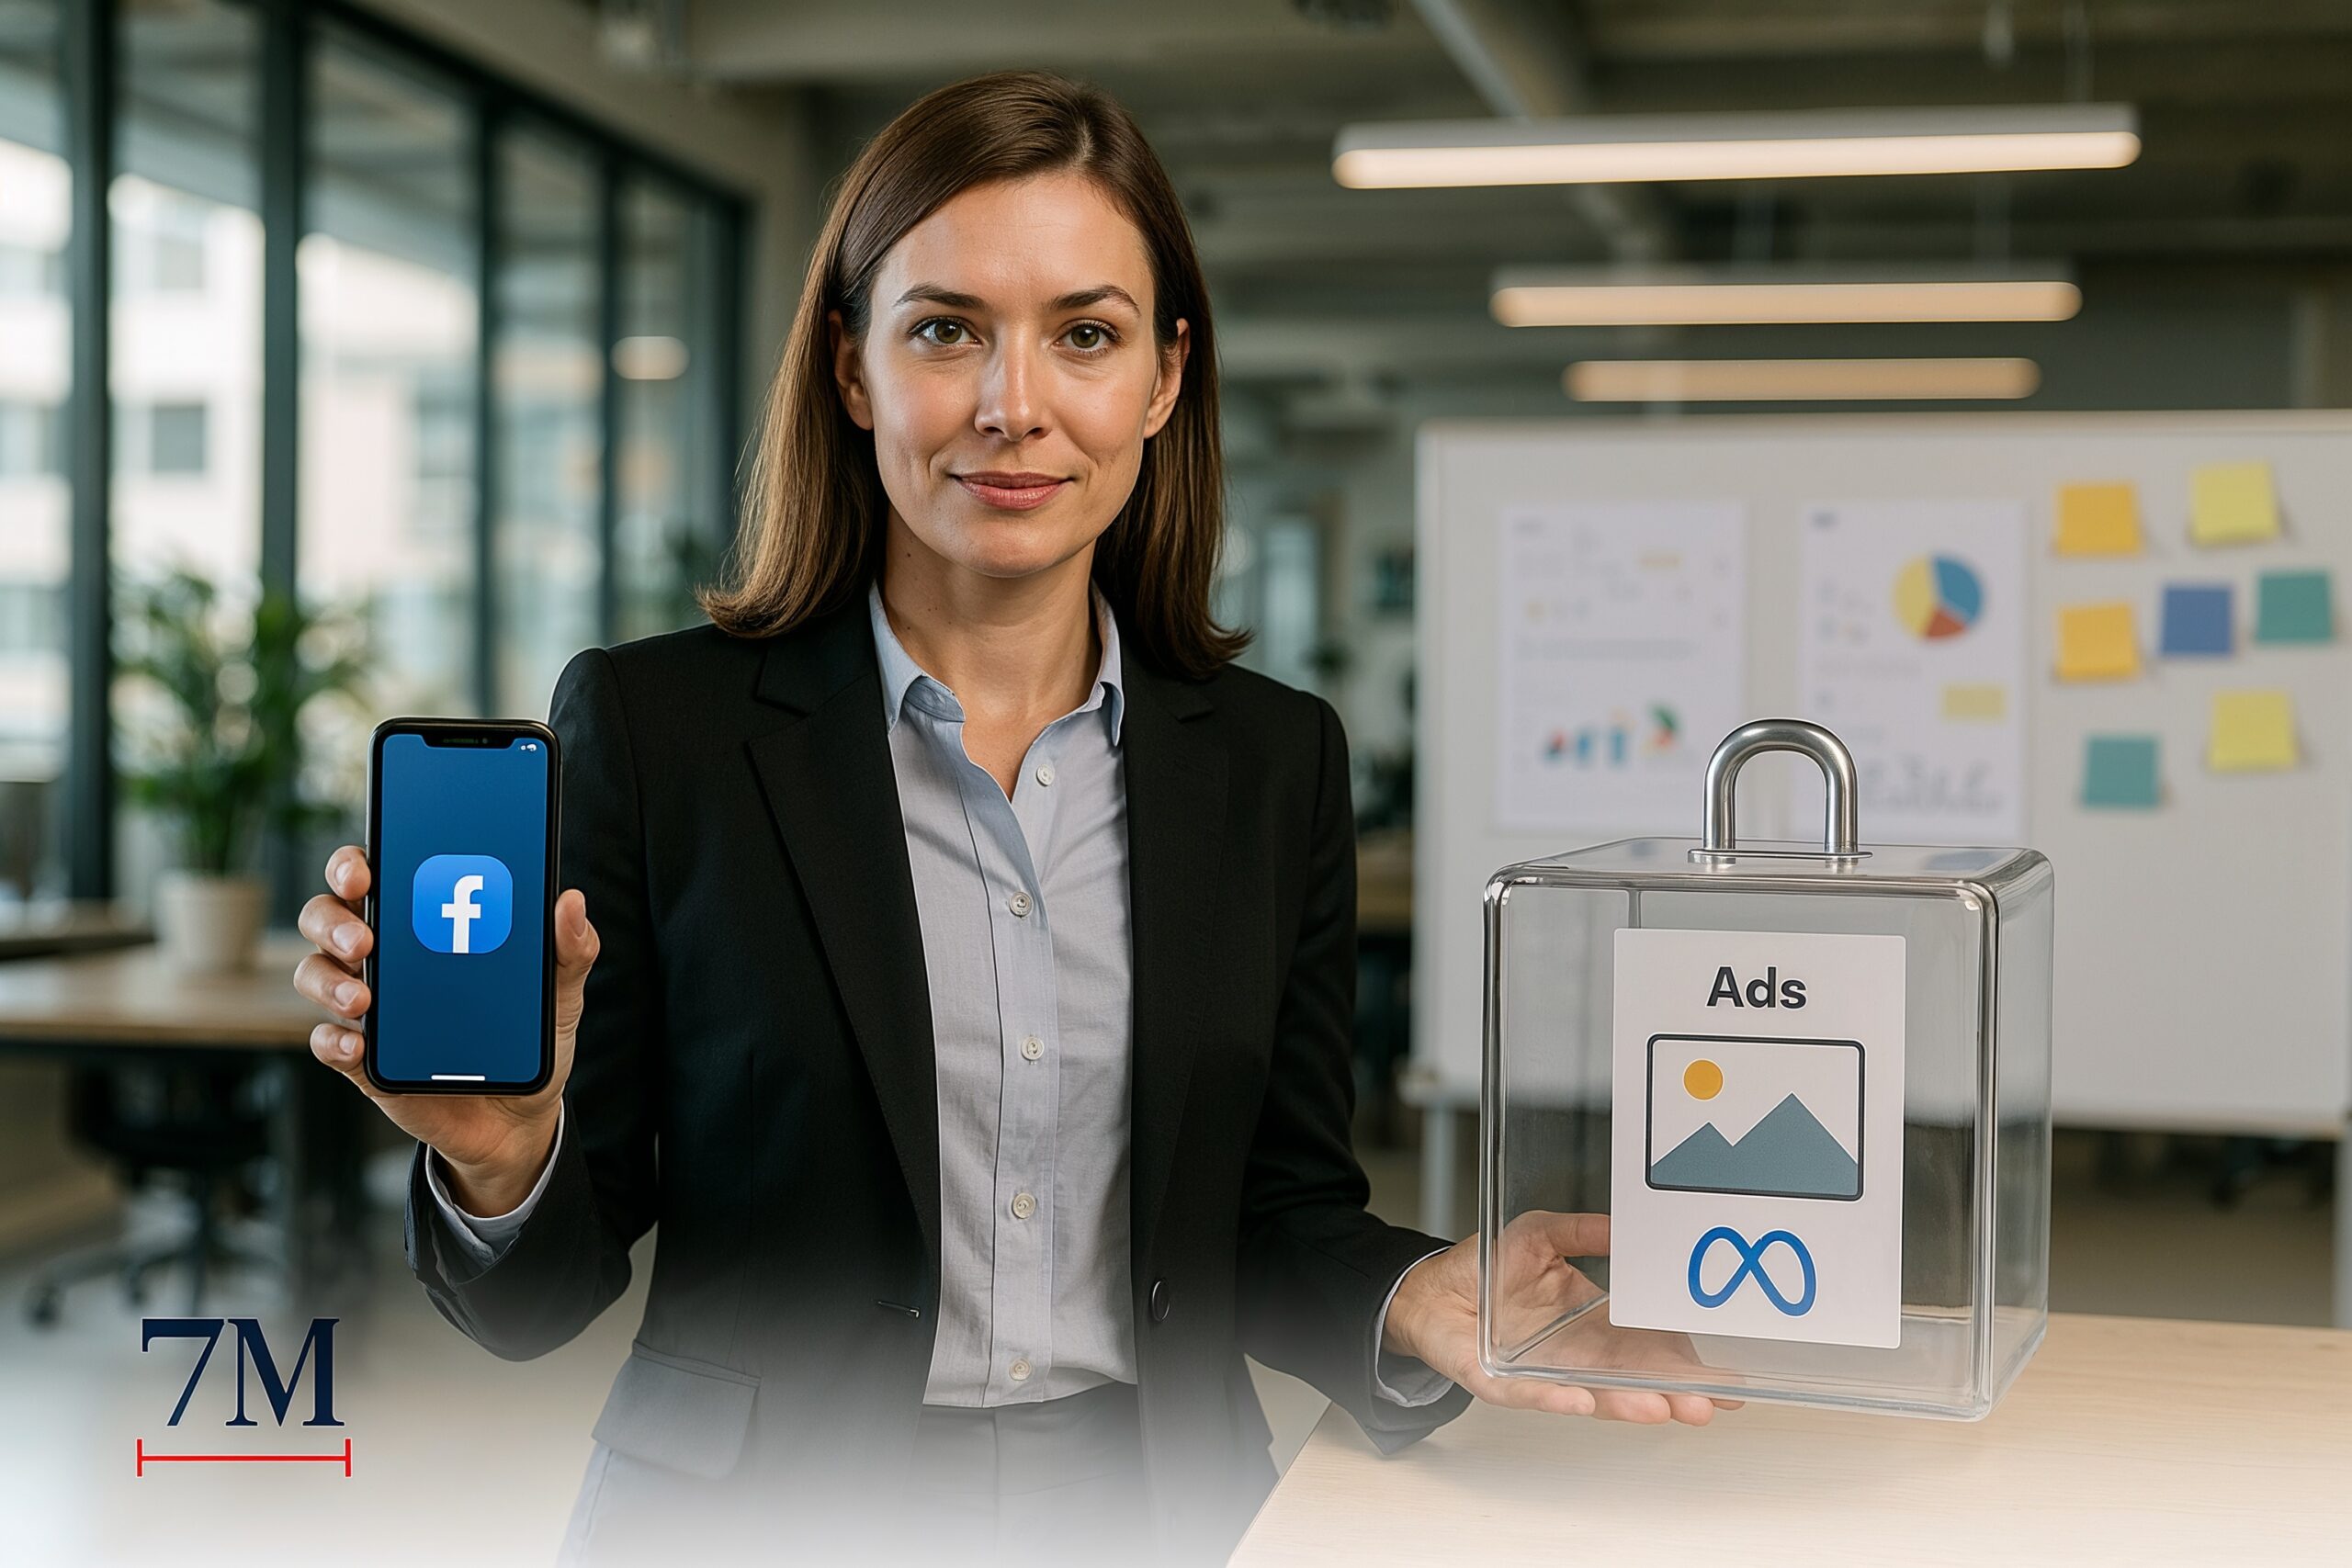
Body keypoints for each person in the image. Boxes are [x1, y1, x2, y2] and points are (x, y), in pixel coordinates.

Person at [290, 70, 1733, 1567]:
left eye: (1085, 335)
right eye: (945, 330)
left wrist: (1415, 1297)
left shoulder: (1269, 761)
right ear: (852, 367)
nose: (1014, 405)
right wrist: (505, 1158)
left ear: (1164, 379)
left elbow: (1274, 1210)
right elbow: (537, 1304)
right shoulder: (666, 733)